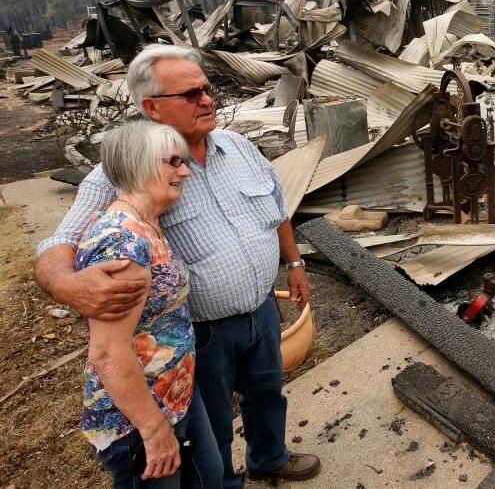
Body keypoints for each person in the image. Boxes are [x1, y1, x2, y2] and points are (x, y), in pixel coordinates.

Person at [36, 45, 321, 486]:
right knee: (211, 428)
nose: (206, 100)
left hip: (262, 308)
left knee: (267, 392)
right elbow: (60, 242)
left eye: (207, 89)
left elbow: (277, 209)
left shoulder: (239, 147)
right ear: (151, 107)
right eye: (190, 94)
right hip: (202, 331)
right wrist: (65, 284)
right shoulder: (127, 169)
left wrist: (295, 263)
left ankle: (269, 457)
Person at [78, 120, 223, 488]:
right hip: (138, 420)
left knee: (211, 476)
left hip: (175, 393)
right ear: (138, 164)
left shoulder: (147, 224)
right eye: (173, 162)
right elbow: (107, 352)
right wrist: (154, 430)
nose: (185, 171)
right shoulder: (121, 243)